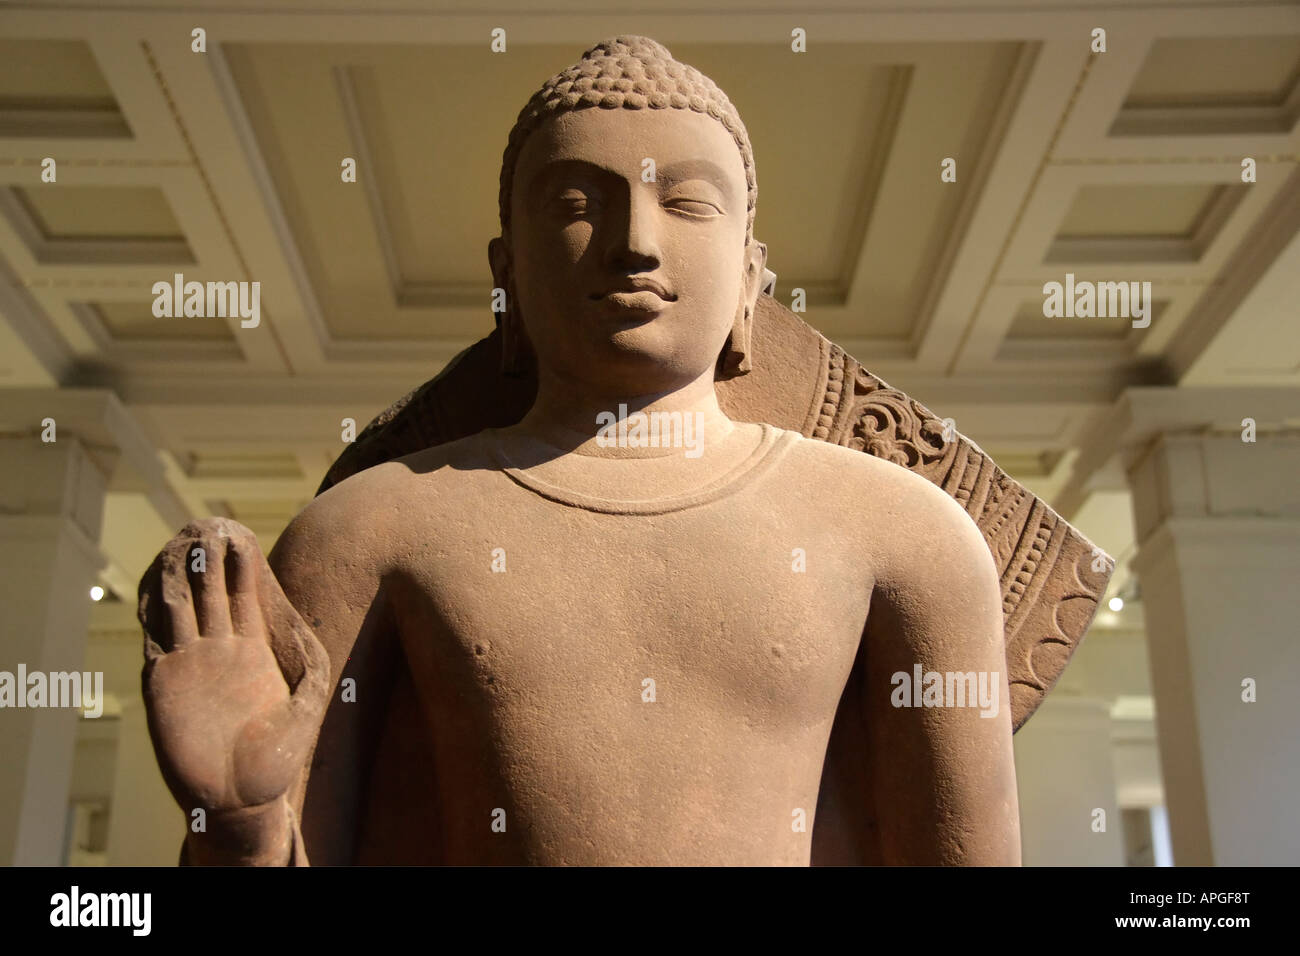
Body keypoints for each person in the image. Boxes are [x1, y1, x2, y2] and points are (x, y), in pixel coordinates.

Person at [139, 36, 1019, 866]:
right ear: (508, 275)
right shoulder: (370, 529)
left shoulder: (905, 535)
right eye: (574, 204)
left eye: (686, 201)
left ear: (751, 277)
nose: (635, 242)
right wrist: (239, 830)